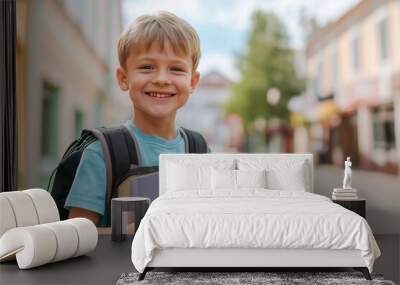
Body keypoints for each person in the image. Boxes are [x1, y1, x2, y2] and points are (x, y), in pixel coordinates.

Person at [64, 11, 205, 226]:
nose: (161, 79)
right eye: (147, 67)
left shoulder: (200, 150)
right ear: (123, 78)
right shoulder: (101, 154)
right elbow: (77, 238)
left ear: (193, 82)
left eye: (176, 69)